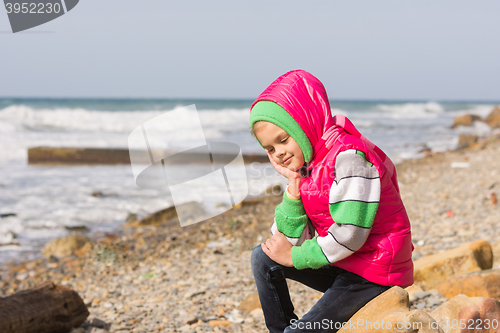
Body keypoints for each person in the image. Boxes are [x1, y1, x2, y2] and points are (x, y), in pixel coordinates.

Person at [249, 70, 414, 333]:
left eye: (283, 140)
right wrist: (293, 188)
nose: (279, 153)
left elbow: (350, 235)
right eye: (270, 149)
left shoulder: (349, 158)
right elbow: (281, 239)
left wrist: (295, 256)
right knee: (263, 257)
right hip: (344, 261)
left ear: (304, 124)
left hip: (374, 270)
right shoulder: (309, 164)